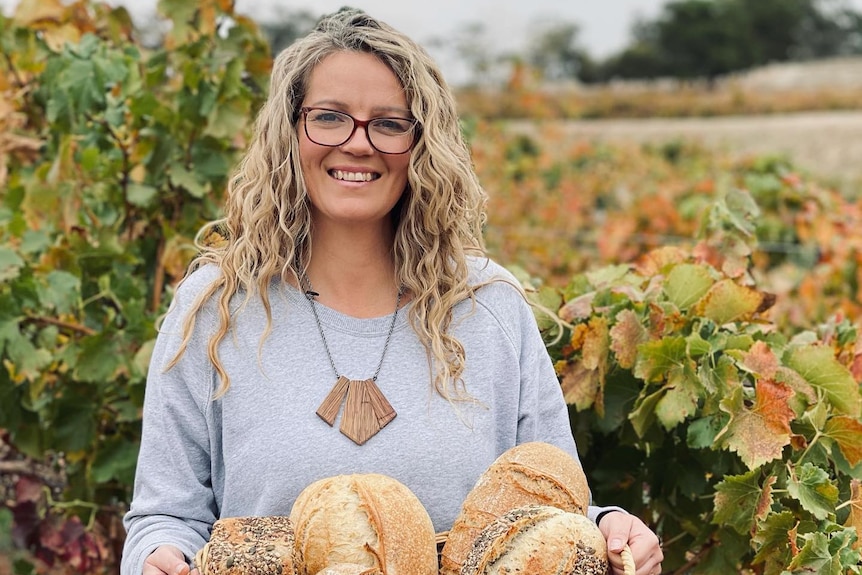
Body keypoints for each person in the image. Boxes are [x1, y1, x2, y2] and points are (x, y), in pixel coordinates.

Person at [121, 8, 663, 575]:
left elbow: (554, 507)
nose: (357, 143)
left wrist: (608, 525)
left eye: (388, 123)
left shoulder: (488, 306)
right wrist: (158, 558)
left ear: (423, 144)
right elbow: (165, 516)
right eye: (328, 117)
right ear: (289, 130)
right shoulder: (216, 307)